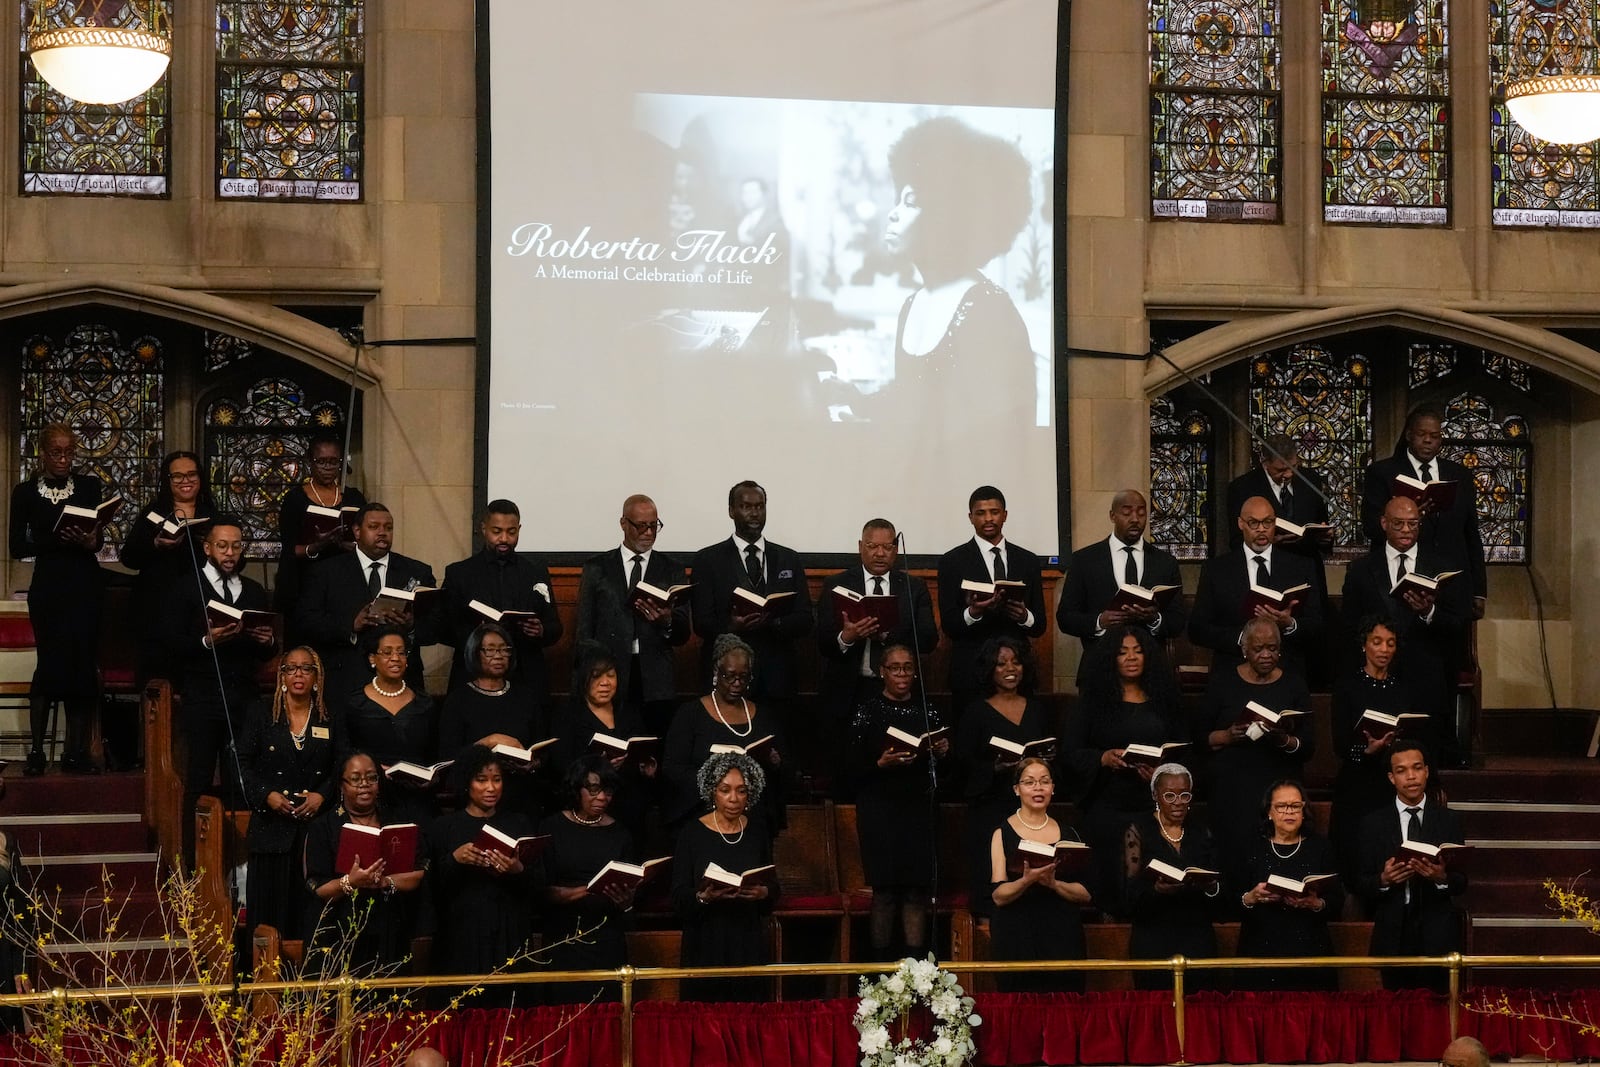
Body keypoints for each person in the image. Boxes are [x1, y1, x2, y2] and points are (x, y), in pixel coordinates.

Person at [870, 115, 1035, 429]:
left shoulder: (990, 311)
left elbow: (994, 431)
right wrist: (855, 399)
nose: (893, 214)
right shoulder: (912, 304)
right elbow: (911, 398)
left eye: (911, 202)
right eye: (898, 200)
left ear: (944, 215)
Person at [160, 516, 277, 867]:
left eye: (236, 546)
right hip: (203, 694)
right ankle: (192, 864)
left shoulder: (253, 590)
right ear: (207, 547)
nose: (230, 553)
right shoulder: (186, 588)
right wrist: (206, 641)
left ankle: (241, 862)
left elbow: (267, 649)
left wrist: (266, 640)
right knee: (199, 777)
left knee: (243, 779)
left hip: (244, 696)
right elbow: (170, 644)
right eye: (223, 546)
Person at [1341, 495, 1471, 766]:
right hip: (1377, 679)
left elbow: (1458, 623)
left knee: (1424, 756)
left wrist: (1428, 612)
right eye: (1399, 524)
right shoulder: (1361, 570)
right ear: (1384, 523)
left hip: (1427, 677)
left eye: (1413, 524)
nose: (1406, 530)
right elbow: (1350, 626)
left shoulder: (1441, 567)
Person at [1064, 626, 1186, 914]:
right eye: (1122, 652)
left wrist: (1161, 773)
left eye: (1138, 651)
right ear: (1111, 659)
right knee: (1109, 884)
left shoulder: (1165, 700)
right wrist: (1103, 758)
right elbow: (1070, 753)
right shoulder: (1092, 702)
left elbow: (1183, 749)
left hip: (1153, 805)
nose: (1131, 657)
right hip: (1107, 803)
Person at [8, 424, 106, 775]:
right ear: (43, 453)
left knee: (81, 664)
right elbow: (17, 547)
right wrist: (57, 540)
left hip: (85, 583)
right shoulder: (24, 493)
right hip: (49, 585)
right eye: (57, 452)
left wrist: (86, 540)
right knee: (49, 665)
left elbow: (98, 539)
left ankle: (74, 752)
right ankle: (36, 752)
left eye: (69, 452)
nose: (64, 459)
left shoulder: (89, 486)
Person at [816, 518, 937, 795]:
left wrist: (888, 637)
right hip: (850, 690)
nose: (879, 553)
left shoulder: (913, 587)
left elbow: (929, 640)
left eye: (886, 547)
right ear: (860, 547)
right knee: (849, 769)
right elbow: (822, 641)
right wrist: (848, 636)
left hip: (897, 693)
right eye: (872, 546)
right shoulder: (836, 584)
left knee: (896, 774)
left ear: (895, 549)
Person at [849, 643, 949, 960]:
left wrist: (943, 752)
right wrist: (880, 764)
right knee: (886, 892)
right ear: (882, 672)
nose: (902, 674)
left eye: (908, 667)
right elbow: (846, 768)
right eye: (895, 668)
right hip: (880, 810)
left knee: (915, 892)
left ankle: (915, 967)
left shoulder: (928, 711)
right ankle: (880, 969)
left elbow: (948, 772)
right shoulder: (867, 711)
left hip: (918, 808)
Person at [236, 646, 339, 941]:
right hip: (271, 831)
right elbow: (241, 763)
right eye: (291, 668)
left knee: (309, 917)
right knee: (270, 918)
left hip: (315, 832)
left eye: (306, 668)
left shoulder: (328, 717)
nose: (298, 674)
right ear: (281, 676)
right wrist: (266, 794)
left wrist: (322, 795)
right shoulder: (262, 713)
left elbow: (340, 765)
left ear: (317, 677)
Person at [1198, 617, 1314, 876]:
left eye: (1272, 649)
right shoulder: (1223, 682)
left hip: (1278, 784)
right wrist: (1228, 736)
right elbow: (1198, 736)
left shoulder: (1294, 684)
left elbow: (1308, 746)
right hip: (1233, 788)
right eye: (1258, 648)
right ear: (1244, 649)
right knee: (1235, 859)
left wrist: (1282, 738)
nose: (1266, 655)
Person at [952, 636, 1055, 918]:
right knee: (993, 882)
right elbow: (962, 764)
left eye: (1016, 661)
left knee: (1032, 886)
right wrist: (994, 768)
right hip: (989, 810)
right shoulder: (975, 712)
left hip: (1031, 812)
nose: (1011, 668)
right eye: (1001, 663)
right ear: (990, 670)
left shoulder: (1037, 710)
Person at [427, 745, 539, 1001]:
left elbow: (537, 883)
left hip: (508, 930)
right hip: (461, 933)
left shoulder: (519, 823)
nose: (491, 788)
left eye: (497, 780)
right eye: (482, 780)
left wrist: (517, 869)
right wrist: (455, 860)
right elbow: (432, 887)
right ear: (467, 783)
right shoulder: (445, 826)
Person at [302, 750, 428, 975]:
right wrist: (351, 882)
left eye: (371, 778)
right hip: (337, 929)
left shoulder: (397, 821)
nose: (364, 785)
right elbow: (318, 886)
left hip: (389, 928)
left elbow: (417, 873)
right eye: (355, 779)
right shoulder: (323, 827)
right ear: (341, 785)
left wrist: (384, 882)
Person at [295, 502, 438, 701]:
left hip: (403, 681)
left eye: (388, 528)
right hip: (346, 679)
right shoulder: (326, 572)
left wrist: (411, 626)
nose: (382, 533)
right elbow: (306, 621)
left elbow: (436, 625)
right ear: (357, 531)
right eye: (374, 527)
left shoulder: (416, 571)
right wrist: (351, 626)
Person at [574, 494, 690, 737]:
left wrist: (666, 621)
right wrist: (594, 671)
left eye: (654, 525)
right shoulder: (597, 567)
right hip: (610, 674)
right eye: (641, 525)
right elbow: (584, 630)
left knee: (653, 748)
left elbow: (682, 634)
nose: (648, 532)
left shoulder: (672, 569)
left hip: (656, 680)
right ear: (623, 523)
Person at [1356, 739, 1467, 991]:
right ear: (1391, 778)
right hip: (1394, 932)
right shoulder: (1373, 824)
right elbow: (1360, 881)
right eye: (1401, 771)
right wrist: (1384, 880)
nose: (1411, 776)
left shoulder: (1448, 820)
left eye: (1417, 768)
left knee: (1436, 1014)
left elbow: (1461, 881)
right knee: (1397, 1014)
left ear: (1427, 771)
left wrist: (1441, 878)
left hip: (1437, 932)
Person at [689, 481, 814, 704]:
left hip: (778, 676)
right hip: (727, 676)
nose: (755, 513)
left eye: (760, 506)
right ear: (731, 511)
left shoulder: (789, 558)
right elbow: (701, 623)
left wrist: (773, 623)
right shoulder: (707, 560)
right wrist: (731, 626)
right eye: (746, 507)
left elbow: (805, 618)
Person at [1360, 403, 1487, 614]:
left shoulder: (1460, 475)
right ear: (1409, 435)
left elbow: (1472, 534)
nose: (1428, 441)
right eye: (1421, 434)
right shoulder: (1382, 473)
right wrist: (1406, 517)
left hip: (1453, 582)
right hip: (1406, 581)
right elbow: (1370, 527)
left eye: (1435, 436)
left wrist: (1479, 591)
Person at [671, 751, 777, 1002]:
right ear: (712, 792)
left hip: (747, 938)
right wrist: (703, 897)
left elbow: (773, 887)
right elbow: (677, 895)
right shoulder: (692, 833)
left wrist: (764, 893)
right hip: (706, 939)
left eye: (741, 791)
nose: (733, 799)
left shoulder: (757, 831)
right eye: (725, 790)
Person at [937, 487, 1048, 717]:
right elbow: (949, 624)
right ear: (970, 517)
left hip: (1016, 672)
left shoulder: (1027, 560)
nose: (988, 518)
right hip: (971, 672)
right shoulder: (952, 561)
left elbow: (1040, 626)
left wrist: (1024, 617)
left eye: (994, 512)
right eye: (981, 513)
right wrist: (974, 612)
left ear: (1005, 515)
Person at [1055, 490, 1187, 683]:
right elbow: (1065, 617)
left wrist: (1153, 619)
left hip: (1151, 673)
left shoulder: (1165, 562)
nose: (1135, 519)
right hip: (1099, 671)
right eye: (1127, 513)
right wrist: (1100, 621)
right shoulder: (1084, 560)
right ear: (1112, 515)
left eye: (1141, 513)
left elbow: (1177, 621)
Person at [538, 755, 639, 1004]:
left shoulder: (621, 834)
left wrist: (626, 900)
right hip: (563, 936)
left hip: (607, 937)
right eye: (594, 789)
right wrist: (583, 891)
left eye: (607, 790)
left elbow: (631, 895)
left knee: (607, 1013)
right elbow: (539, 890)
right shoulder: (552, 827)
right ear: (576, 789)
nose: (602, 797)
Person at [440, 499, 563, 700]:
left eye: (511, 532)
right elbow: (444, 628)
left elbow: (555, 627)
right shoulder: (459, 573)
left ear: (519, 529)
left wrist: (541, 631)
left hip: (526, 673)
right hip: (474, 671)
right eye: (497, 531)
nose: (504, 538)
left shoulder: (535, 571)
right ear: (483, 529)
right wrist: (478, 634)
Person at [1187, 495, 1324, 673]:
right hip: (1232, 671)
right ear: (1240, 523)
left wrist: (1289, 623)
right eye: (1253, 523)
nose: (1262, 529)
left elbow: (1317, 625)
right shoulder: (1216, 570)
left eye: (1268, 522)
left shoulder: (1301, 567)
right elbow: (1197, 629)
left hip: (1286, 673)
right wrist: (1243, 638)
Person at [664, 634, 786, 835]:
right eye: (730, 676)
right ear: (716, 672)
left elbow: (784, 768)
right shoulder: (690, 714)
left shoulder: (764, 716)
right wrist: (717, 786)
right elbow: (673, 768)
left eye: (744, 677)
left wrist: (775, 763)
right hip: (701, 815)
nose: (737, 683)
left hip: (752, 818)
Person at [988, 756, 1090, 993]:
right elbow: (998, 895)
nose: (1038, 788)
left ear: (1053, 788)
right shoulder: (1001, 833)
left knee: (1062, 1006)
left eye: (1044, 781)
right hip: (1017, 933)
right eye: (1029, 782)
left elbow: (1085, 894)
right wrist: (1027, 880)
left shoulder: (1070, 833)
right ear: (1017, 789)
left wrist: (1053, 884)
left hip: (1062, 932)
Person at [1233, 779, 1343, 990]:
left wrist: (1316, 903)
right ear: (1269, 812)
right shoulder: (1251, 848)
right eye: (1281, 806)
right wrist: (1251, 898)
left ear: (1304, 811)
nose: (1289, 812)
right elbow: (1232, 898)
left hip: (1310, 949)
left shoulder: (1321, 847)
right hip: (1260, 949)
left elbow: (1337, 900)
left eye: (1295, 806)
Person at [1121, 764, 1223, 991]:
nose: (1178, 802)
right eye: (1169, 795)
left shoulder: (1201, 831)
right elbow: (1130, 895)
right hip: (1153, 934)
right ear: (1155, 795)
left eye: (1184, 795)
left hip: (1197, 933)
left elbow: (1217, 887)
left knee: (1200, 1009)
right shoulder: (1139, 830)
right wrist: (1157, 890)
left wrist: (1211, 886)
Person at [120, 450, 214, 686]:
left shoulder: (212, 515)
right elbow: (128, 556)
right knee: (157, 680)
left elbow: (236, 561)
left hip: (198, 611)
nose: (186, 481)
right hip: (156, 611)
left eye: (192, 474)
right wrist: (155, 544)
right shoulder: (153, 514)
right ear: (167, 480)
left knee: (195, 682)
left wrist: (211, 545)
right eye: (178, 476)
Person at [549, 646, 660, 846]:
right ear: (584, 680)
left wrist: (647, 770)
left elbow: (641, 749)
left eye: (611, 675)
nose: (605, 683)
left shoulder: (628, 712)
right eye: (596, 676)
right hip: (587, 806)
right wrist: (600, 767)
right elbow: (560, 764)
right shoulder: (568, 715)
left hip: (631, 805)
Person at [1330, 615, 1410, 887]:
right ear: (1364, 645)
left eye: (1390, 643)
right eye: (1377, 642)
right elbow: (1340, 744)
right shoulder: (1347, 686)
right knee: (1355, 858)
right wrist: (1367, 750)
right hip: (1357, 783)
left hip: (1392, 782)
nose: (1384, 649)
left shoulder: (1403, 688)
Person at [438, 622, 545, 816]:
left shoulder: (526, 697)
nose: (499, 656)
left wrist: (533, 763)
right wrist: (490, 741)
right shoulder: (458, 700)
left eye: (505, 650)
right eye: (491, 650)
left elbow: (541, 748)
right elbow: (448, 758)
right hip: (474, 798)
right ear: (474, 653)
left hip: (520, 791)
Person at [341, 626, 438, 820]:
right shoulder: (354, 703)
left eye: (401, 652)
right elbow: (344, 752)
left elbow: (435, 754)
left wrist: (432, 778)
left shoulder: (425, 703)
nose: (395, 658)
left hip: (419, 798)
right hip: (372, 798)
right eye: (387, 652)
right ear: (372, 659)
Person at [273, 434, 367, 633]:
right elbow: (288, 550)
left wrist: (348, 546)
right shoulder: (295, 499)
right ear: (310, 461)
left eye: (333, 462)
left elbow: (365, 541)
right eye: (321, 461)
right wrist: (316, 546)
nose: (327, 467)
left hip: (343, 584)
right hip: (304, 584)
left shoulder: (353, 497)